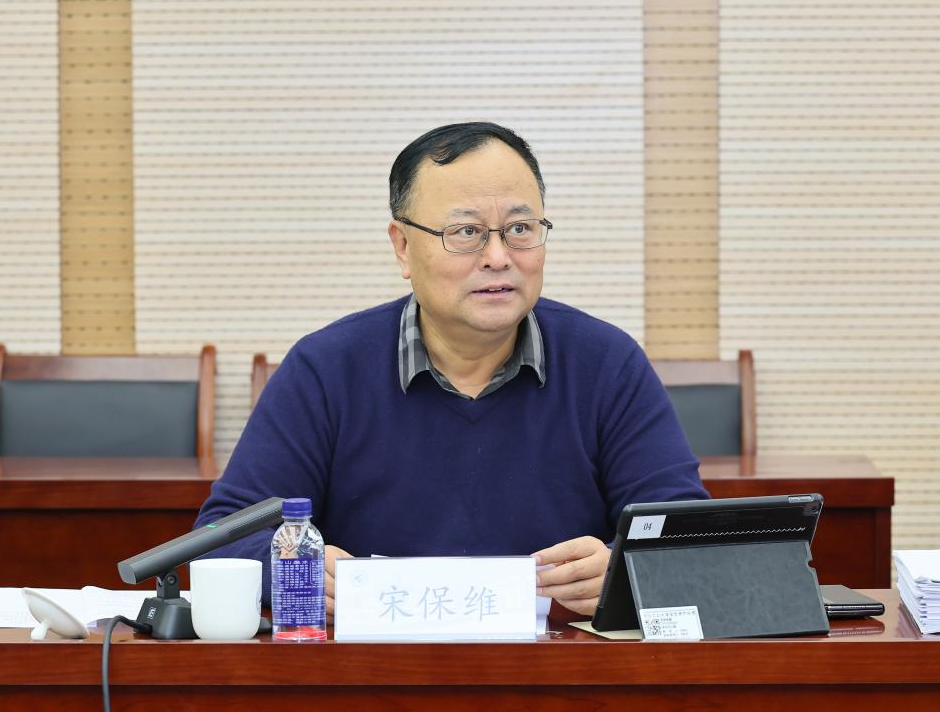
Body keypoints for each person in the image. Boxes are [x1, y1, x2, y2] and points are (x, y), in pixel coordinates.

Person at [195, 122, 708, 616]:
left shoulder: (606, 363)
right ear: (403, 246)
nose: (498, 257)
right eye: (466, 232)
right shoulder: (326, 369)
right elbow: (220, 540)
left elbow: (693, 541)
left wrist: (623, 571)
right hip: (373, 667)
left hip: (559, 665)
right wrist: (293, 569)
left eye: (520, 229)